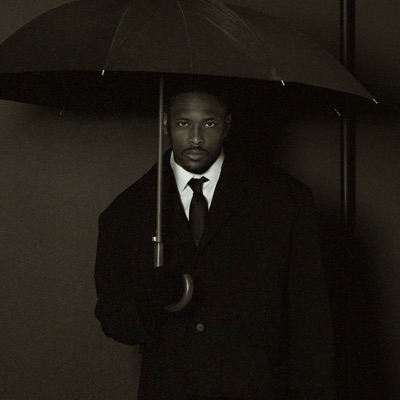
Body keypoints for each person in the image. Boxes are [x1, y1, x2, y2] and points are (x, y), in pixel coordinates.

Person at [94, 79, 335, 400]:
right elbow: (113, 319)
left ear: (227, 125)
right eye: (183, 123)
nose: (195, 138)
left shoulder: (284, 200)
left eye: (208, 124)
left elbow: (312, 320)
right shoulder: (127, 211)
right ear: (165, 124)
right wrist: (147, 301)